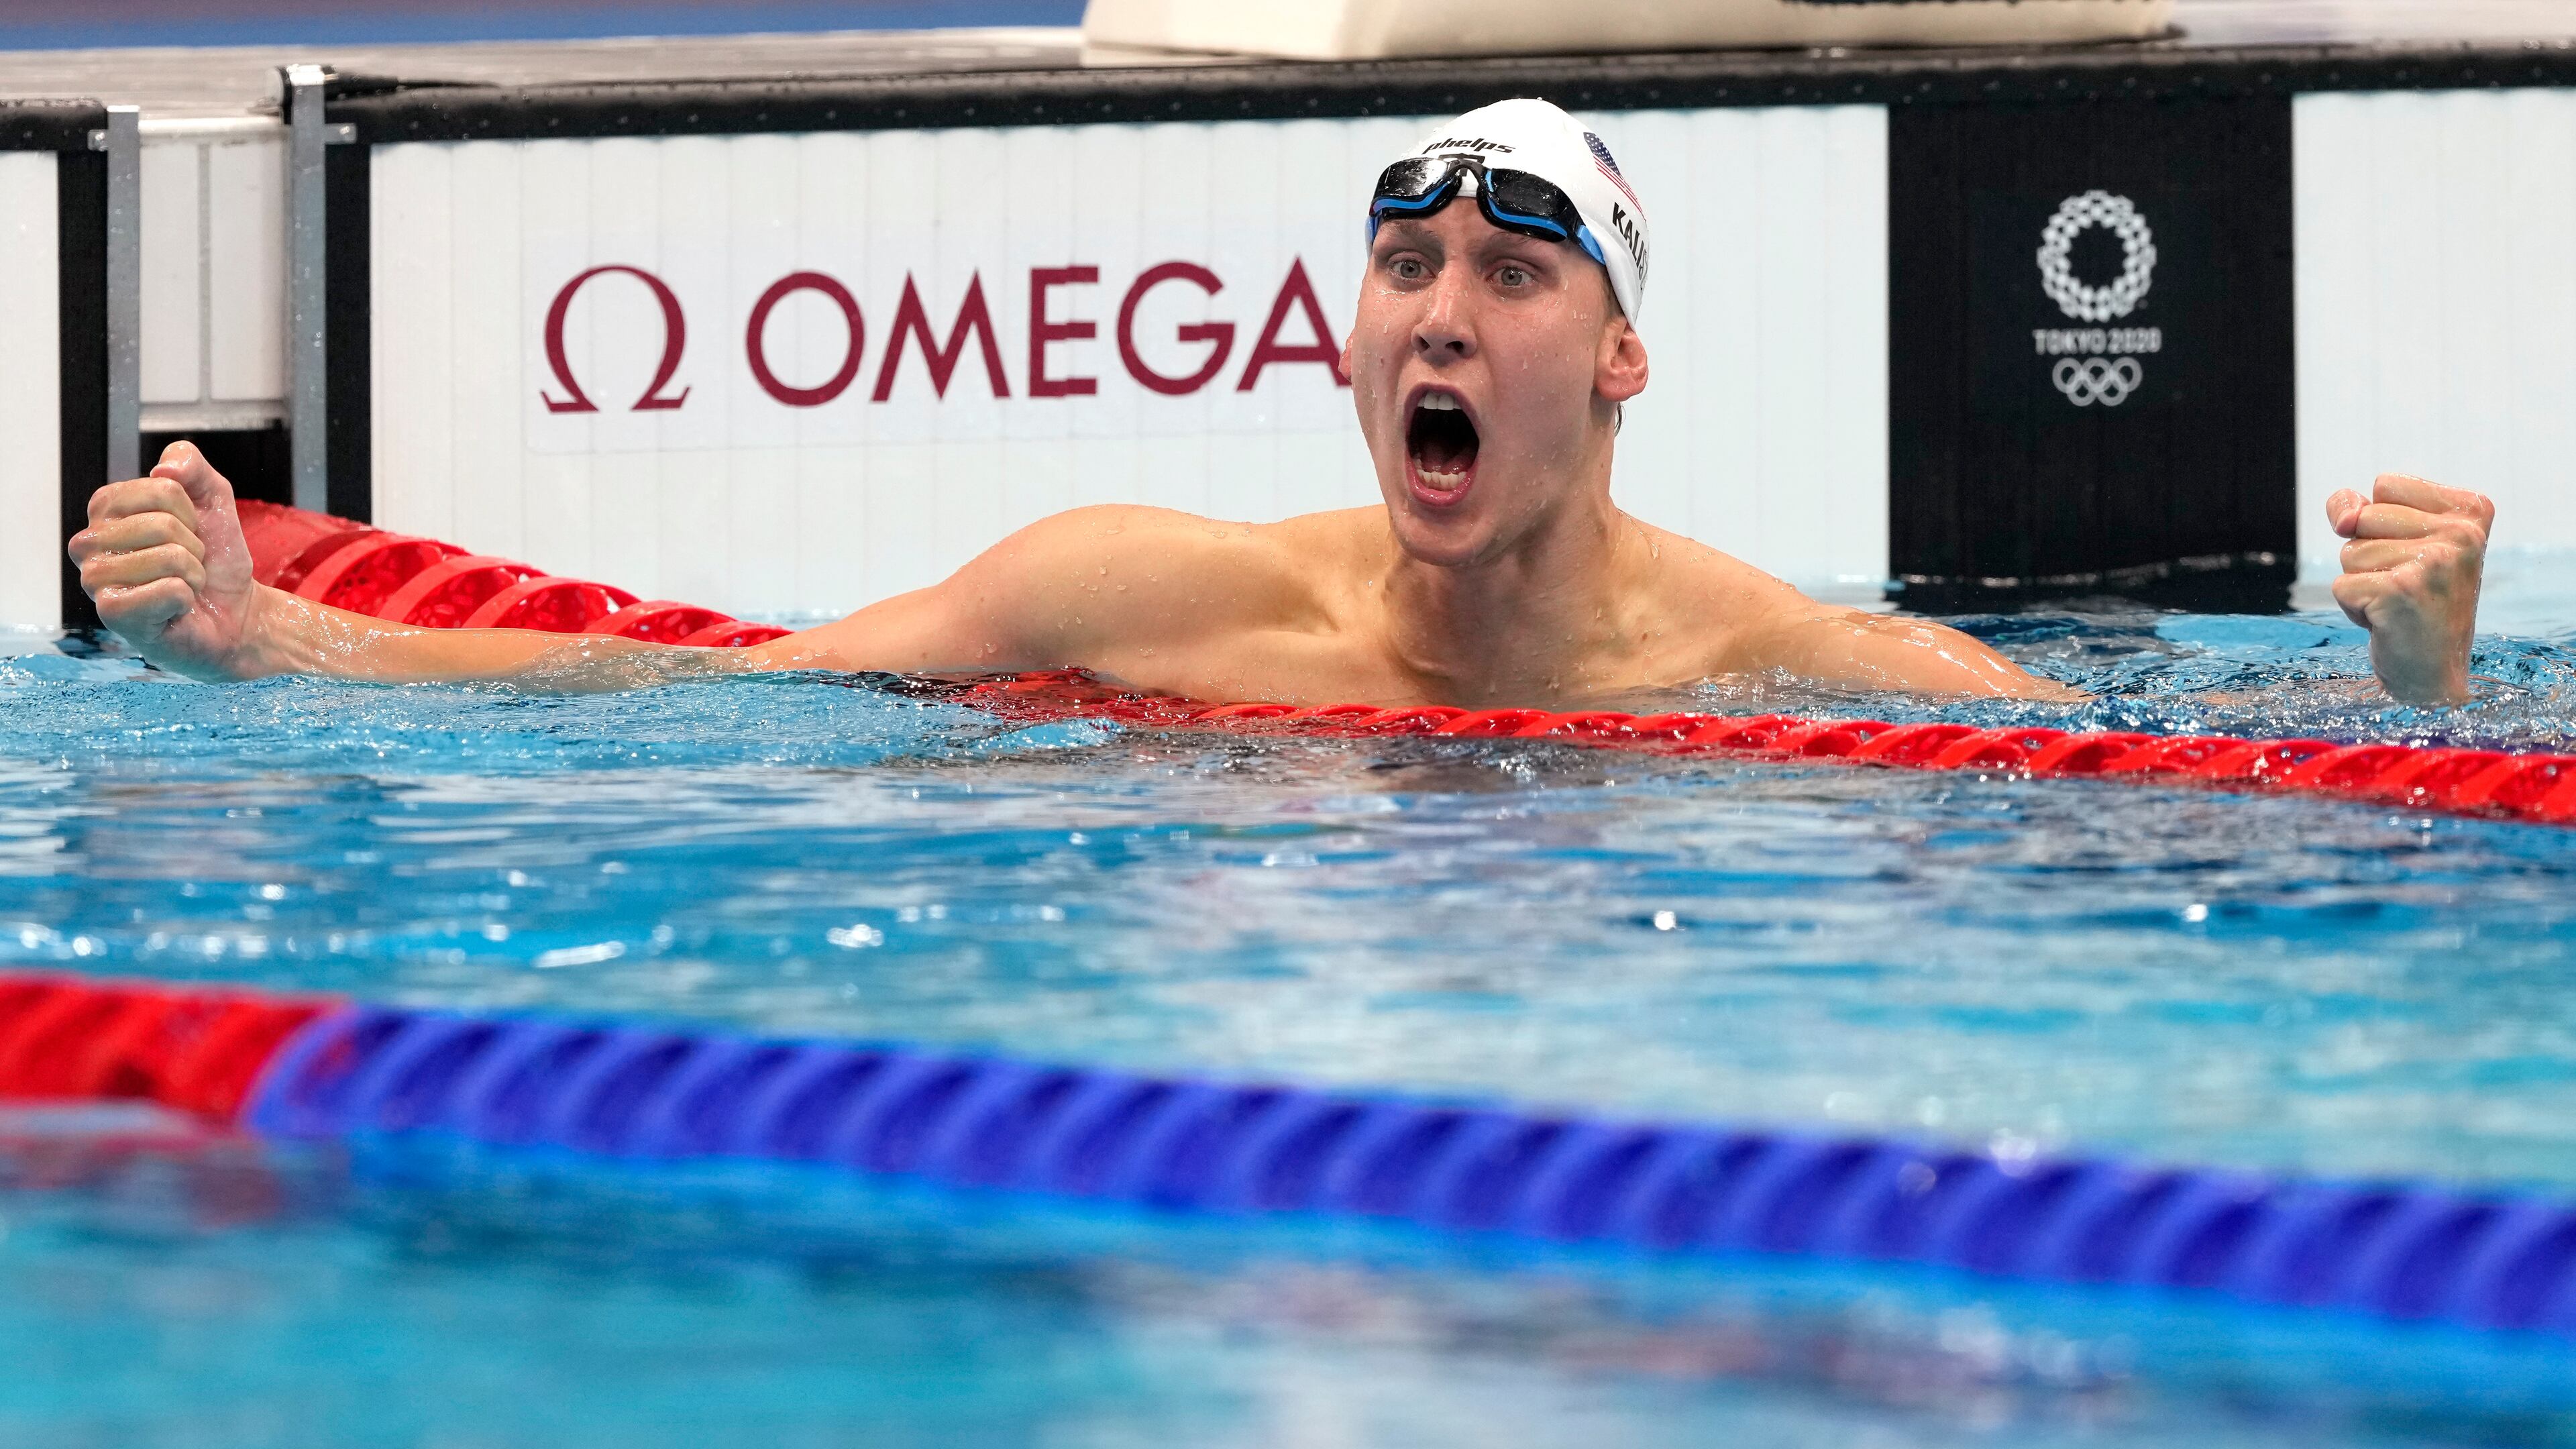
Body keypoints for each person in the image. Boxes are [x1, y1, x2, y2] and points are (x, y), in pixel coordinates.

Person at [68, 100, 2492, 708]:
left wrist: (2428, 683)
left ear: (1619, 357)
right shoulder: (1152, 600)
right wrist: (274, 644)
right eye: (1405, 265)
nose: (1440, 313)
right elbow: (695, 693)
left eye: (1512, 275)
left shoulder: (1810, 672)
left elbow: (2196, 818)